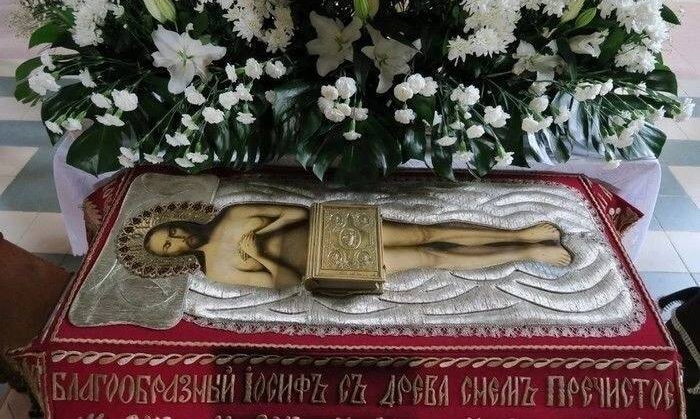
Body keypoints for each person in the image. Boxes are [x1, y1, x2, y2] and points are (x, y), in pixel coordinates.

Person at [144, 203, 572, 289]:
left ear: (177, 223)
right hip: (327, 264)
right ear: (172, 257)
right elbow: (285, 280)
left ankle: (521, 234)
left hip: (333, 227)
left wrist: (266, 228)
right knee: (432, 256)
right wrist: (257, 254)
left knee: (426, 232)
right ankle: (527, 252)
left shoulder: (232, 214)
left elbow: (297, 212)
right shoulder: (217, 271)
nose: (177, 240)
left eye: (171, 232)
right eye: (168, 247)